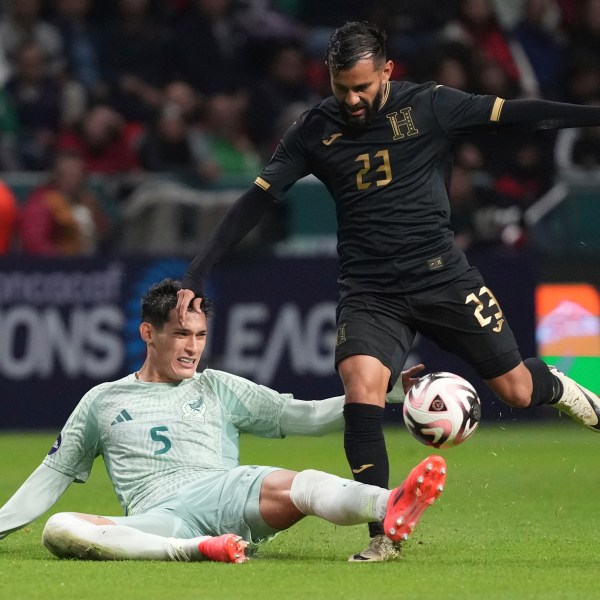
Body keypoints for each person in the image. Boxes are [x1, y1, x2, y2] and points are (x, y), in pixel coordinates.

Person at [176, 20, 600, 562]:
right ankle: (383, 531)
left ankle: (561, 388)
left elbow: (520, 113)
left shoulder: (431, 106)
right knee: (361, 390)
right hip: (370, 289)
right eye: (340, 87)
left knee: (516, 389)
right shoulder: (313, 129)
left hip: (443, 277)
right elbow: (257, 200)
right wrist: (198, 271)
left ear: (387, 72)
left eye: (362, 86)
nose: (351, 99)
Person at [0, 278, 446, 564]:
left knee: (301, 483)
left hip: (224, 495)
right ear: (147, 334)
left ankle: (389, 503)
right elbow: (51, 477)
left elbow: (306, 417)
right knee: (60, 530)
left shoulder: (216, 386)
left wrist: (385, 393)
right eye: (180, 334)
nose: (192, 347)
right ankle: (198, 551)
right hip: (160, 522)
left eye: (199, 335)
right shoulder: (102, 400)